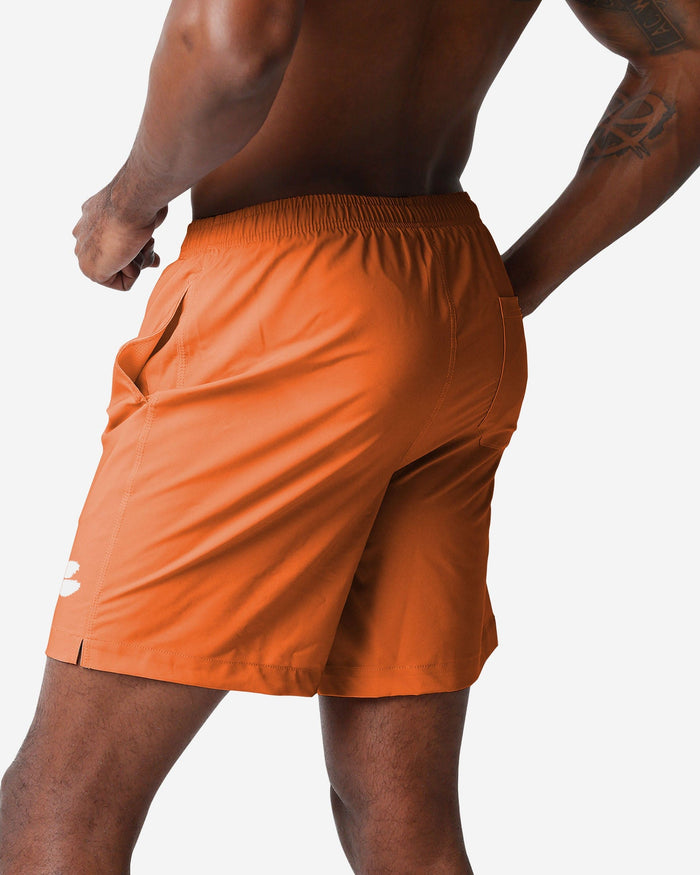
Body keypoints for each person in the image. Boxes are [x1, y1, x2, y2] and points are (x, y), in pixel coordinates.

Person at [1, 0, 698, 872]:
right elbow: (687, 55)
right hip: (455, 300)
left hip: (279, 303)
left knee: (59, 807)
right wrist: (509, 287)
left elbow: (231, 42)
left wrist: (125, 202)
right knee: (403, 824)